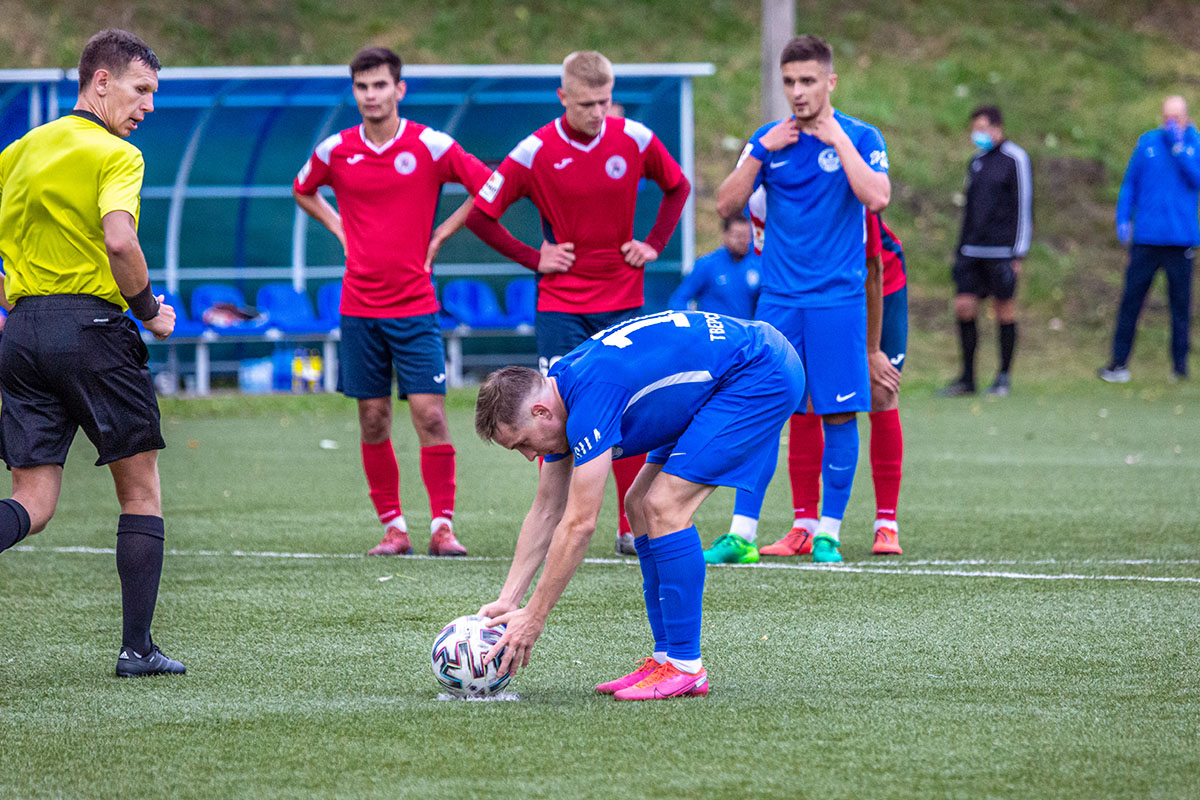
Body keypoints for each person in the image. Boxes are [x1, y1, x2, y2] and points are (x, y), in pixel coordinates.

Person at [473, 310, 805, 700]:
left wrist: (535, 615)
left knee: (664, 506)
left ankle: (686, 667)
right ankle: (666, 658)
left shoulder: (589, 398)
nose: (530, 456)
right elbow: (546, 509)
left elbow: (579, 523)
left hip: (759, 371)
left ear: (540, 412)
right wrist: (510, 599)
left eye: (524, 444)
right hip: (724, 377)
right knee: (638, 505)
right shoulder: (563, 386)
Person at [0, 29, 185, 677]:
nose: (149, 106)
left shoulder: (20, 149)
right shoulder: (115, 155)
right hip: (94, 329)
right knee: (139, 493)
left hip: (20, 333)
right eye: (141, 90)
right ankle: (137, 650)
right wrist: (150, 313)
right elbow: (119, 243)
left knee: (34, 503)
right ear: (99, 82)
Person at [466, 50, 691, 557]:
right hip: (562, 306)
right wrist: (533, 256)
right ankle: (561, 523)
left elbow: (677, 186)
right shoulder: (534, 151)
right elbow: (482, 215)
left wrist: (653, 243)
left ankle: (632, 527)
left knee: (632, 412)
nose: (598, 113)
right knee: (553, 416)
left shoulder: (633, 137)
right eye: (587, 103)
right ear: (562, 97)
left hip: (623, 301)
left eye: (606, 102)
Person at [293, 47, 491, 557]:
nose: (371, 95)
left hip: (415, 306)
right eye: (362, 87)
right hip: (359, 308)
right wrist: (338, 227)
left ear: (399, 90)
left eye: (380, 85)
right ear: (354, 92)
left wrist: (443, 233)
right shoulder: (336, 150)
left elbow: (488, 187)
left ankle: (442, 527)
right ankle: (395, 527)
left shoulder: (431, 144)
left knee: (430, 415)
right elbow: (303, 188)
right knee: (373, 418)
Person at [707, 34, 892, 565]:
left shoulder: (860, 135)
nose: (798, 91)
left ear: (830, 82)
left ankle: (828, 533)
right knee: (763, 411)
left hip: (837, 300)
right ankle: (743, 533)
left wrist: (838, 141)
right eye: (789, 82)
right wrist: (762, 152)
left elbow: (876, 197)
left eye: (808, 81)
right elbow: (726, 202)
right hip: (780, 301)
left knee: (839, 416)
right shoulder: (769, 139)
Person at [1099, 95, 1200, 383]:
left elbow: (1197, 179)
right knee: (1131, 299)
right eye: (1167, 117)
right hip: (1146, 237)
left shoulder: (1194, 143)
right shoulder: (1148, 143)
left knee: (1180, 305)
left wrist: (1179, 147)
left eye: (1176, 118)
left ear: (1186, 117)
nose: (1171, 123)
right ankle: (1118, 364)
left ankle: (1179, 368)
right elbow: (1131, 183)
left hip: (1180, 240)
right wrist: (1123, 219)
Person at [939, 105, 1032, 398]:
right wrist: (960, 248)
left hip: (1001, 251)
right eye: (974, 128)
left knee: (1004, 309)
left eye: (981, 127)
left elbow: (1023, 206)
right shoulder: (976, 162)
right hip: (971, 251)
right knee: (964, 307)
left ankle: (1003, 375)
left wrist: (1018, 252)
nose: (976, 134)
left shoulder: (1014, 159)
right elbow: (970, 210)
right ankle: (967, 377)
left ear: (996, 128)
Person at [668, 215, 760, 319]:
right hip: (716, 332)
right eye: (738, 236)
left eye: (746, 236)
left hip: (742, 333)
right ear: (725, 235)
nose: (742, 241)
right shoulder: (708, 264)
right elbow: (679, 299)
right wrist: (694, 325)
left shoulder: (756, 265)